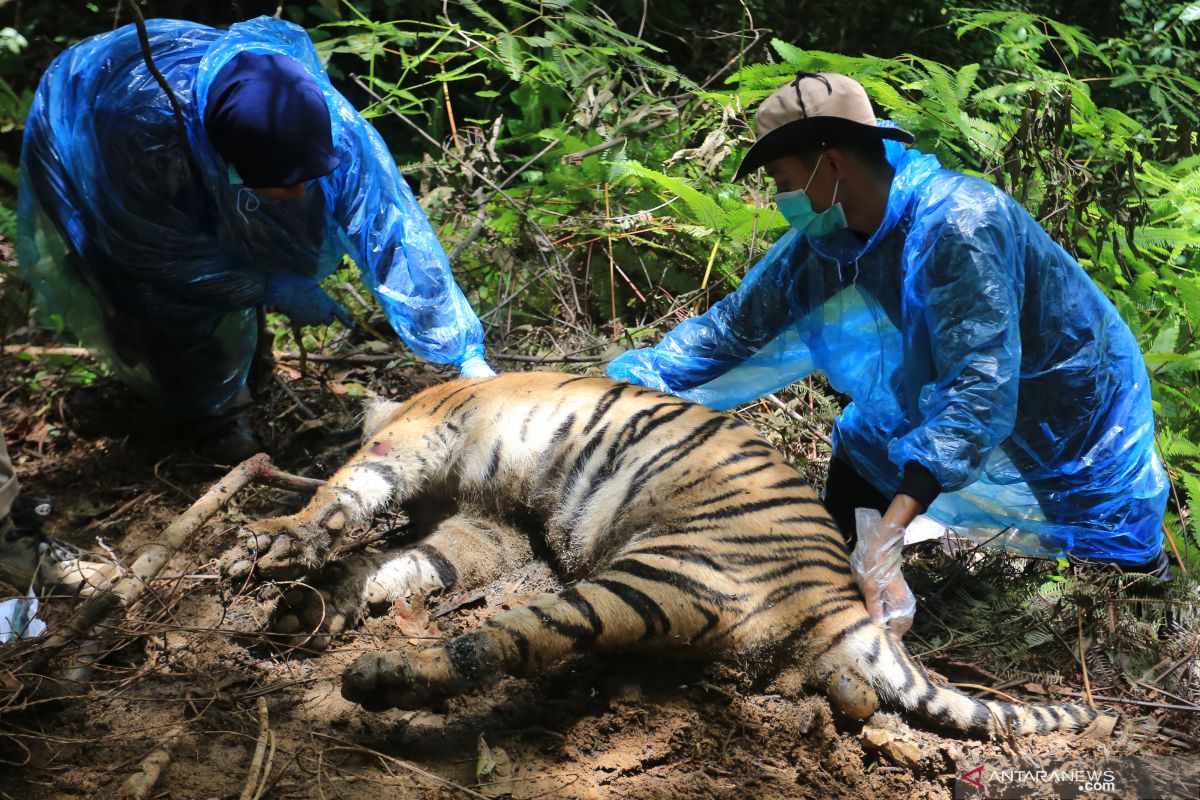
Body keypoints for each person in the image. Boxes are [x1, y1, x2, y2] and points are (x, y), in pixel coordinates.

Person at [608, 72, 1170, 632]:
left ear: (830, 166)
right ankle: (839, 592)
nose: (779, 199)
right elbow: (733, 330)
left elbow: (979, 390)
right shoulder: (830, 241)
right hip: (974, 387)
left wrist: (892, 534)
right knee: (866, 438)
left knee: (1106, 537)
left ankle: (1149, 626)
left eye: (783, 179)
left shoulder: (961, 222)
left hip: (1072, 395)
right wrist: (620, 391)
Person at [18, 16, 496, 461]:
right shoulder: (141, 134)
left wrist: (462, 349)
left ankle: (252, 360)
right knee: (156, 300)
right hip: (78, 117)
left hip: (200, 149)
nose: (301, 190)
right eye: (284, 181)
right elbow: (159, 256)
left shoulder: (321, 121)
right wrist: (269, 286)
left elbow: (391, 229)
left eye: (309, 175)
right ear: (227, 159)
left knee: (277, 229)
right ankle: (213, 413)